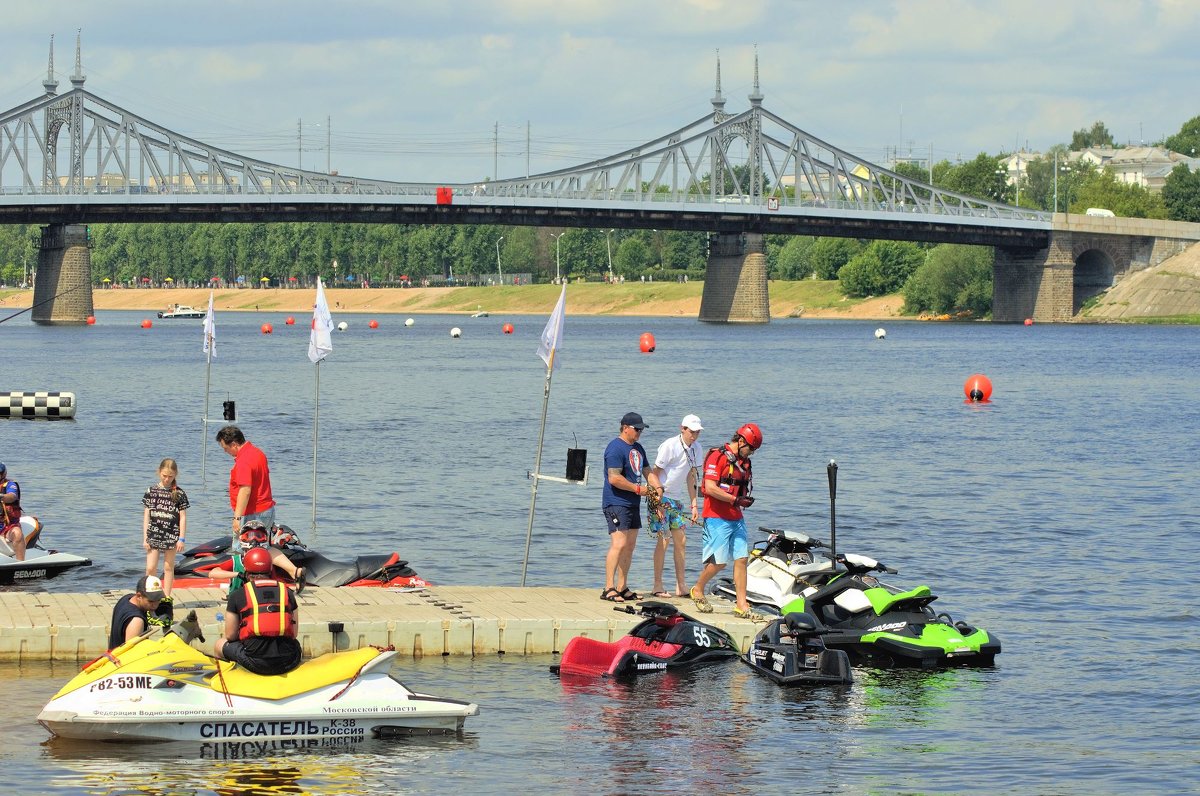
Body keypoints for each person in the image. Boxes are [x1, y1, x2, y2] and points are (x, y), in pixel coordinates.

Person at [689, 423, 768, 622]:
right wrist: (734, 500)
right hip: (716, 516)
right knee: (718, 563)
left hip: (736, 516)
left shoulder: (743, 462)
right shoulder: (717, 456)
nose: (751, 453)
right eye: (751, 448)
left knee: (741, 559)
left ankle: (742, 605)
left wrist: (742, 501)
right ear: (741, 441)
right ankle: (698, 589)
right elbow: (710, 487)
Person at [600, 412, 663, 603]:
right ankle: (608, 587)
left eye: (642, 429)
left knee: (629, 546)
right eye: (637, 429)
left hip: (633, 504)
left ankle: (622, 586)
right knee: (618, 544)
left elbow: (647, 471)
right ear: (625, 427)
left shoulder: (638, 448)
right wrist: (638, 489)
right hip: (616, 502)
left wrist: (657, 487)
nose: (640, 432)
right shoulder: (615, 448)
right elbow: (614, 478)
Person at [215, 546, 303, 675]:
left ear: (246, 570)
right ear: (270, 568)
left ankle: (226, 680)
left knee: (219, 644)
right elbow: (294, 634)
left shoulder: (237, 595)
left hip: (256, 662)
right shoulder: (288, 592)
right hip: (289, 660)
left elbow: (230, 635)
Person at [647, 415, 704, 598]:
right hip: (661, 497)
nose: (694, 436)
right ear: (682, 429)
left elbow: (691, 476)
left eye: (697, 432)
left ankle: (681, 585)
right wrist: (657, 501)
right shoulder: (670, 446)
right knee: (664, 539)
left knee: (681, 541)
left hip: (676, 501)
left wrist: (694, 504)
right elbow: (654, 473)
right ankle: (657, 585)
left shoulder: (696, 449)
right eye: (691, 431)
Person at [216, 425, 276, 536]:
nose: (225, 451)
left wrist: (237, 518)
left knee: (240, 550)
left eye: (225, 448)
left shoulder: (243, 461)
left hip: (252, 514)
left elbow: (245, 490)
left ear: (233, 445)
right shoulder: (258, 453)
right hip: (267, 510)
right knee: (263, 547)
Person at [142, 458, 189, 598]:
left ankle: (167, 597)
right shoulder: (151, 491)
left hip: (171, 534)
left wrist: (181, 538)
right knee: (151, 568)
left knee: (168, 567)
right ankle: (148, 594)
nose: (167, 479)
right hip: (154, 533)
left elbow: (183, 517)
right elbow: (146, 516)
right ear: (159, 472)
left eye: (170, 476)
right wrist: (145, 537)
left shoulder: (179, 494)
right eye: (164, 475)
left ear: (175, 475)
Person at [209, 521, 304, 590]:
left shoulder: (267, 560)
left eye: (259, 536)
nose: (254, 539)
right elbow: (213, 573)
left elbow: (277, 582)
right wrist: (238, 574)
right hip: (240, 598)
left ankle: (295, 572)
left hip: (264, 595)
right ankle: (294, 571)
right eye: (249, 536)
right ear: (242, 539)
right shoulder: (237, 560)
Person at [108, 575, 165, 649]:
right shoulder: (136, 621)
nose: (155, 605)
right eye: (151, 601)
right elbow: (131, 653)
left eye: (158, 599)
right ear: (139, 596)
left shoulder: (126, 599)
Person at [0, 463, 26, 561]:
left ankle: (21, 564)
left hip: (7, 526)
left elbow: (12, 496)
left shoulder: (10, 485)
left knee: (17, 533)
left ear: (3, 474)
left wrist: (1, 496)